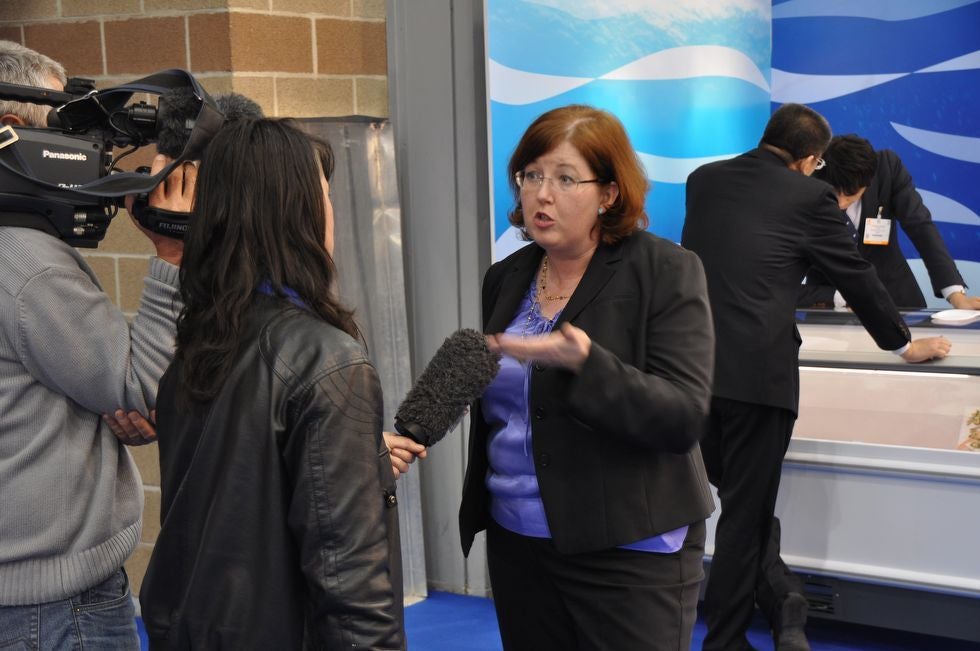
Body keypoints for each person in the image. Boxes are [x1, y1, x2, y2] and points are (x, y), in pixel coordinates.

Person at [681, 103, 952, 651]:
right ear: (810, 160)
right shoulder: (809, 197)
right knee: (746, 517)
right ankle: (729, 640)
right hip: (760, 380)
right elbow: (855, 274)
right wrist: (902, 345)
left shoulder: (703, 180)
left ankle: (785, 602)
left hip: (695, 371)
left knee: (742, 508)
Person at [137, 118, 405, 649]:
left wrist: (357, 457)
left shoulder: (201, 334)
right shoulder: (327, 359)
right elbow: (348, 581)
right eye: (324, 195)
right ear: (297, 212)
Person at [458, 105, 716, 651]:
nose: (542, 195)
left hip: (629, 548)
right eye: (531, 175)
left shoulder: (664, 269)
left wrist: (586, 364)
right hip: (518, 542)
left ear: (609, 193)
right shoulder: (506, 277)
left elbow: (683, 418)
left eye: (565, 179)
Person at [0, 41, 191, 649]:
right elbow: (148, 387)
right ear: (11, 128)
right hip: (52, 606)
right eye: (68, 124)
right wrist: (172, 254)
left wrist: (102, 403)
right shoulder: (28, 265)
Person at [799, 133, 980, 310]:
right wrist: (836, 297)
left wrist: (956, 296)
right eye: (834, 193)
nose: (840, 203)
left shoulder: (886, 169)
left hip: (895, 298)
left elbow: (920, 227)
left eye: (850, 195)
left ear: (868, 183)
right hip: (830, 308)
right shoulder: (804, 183)